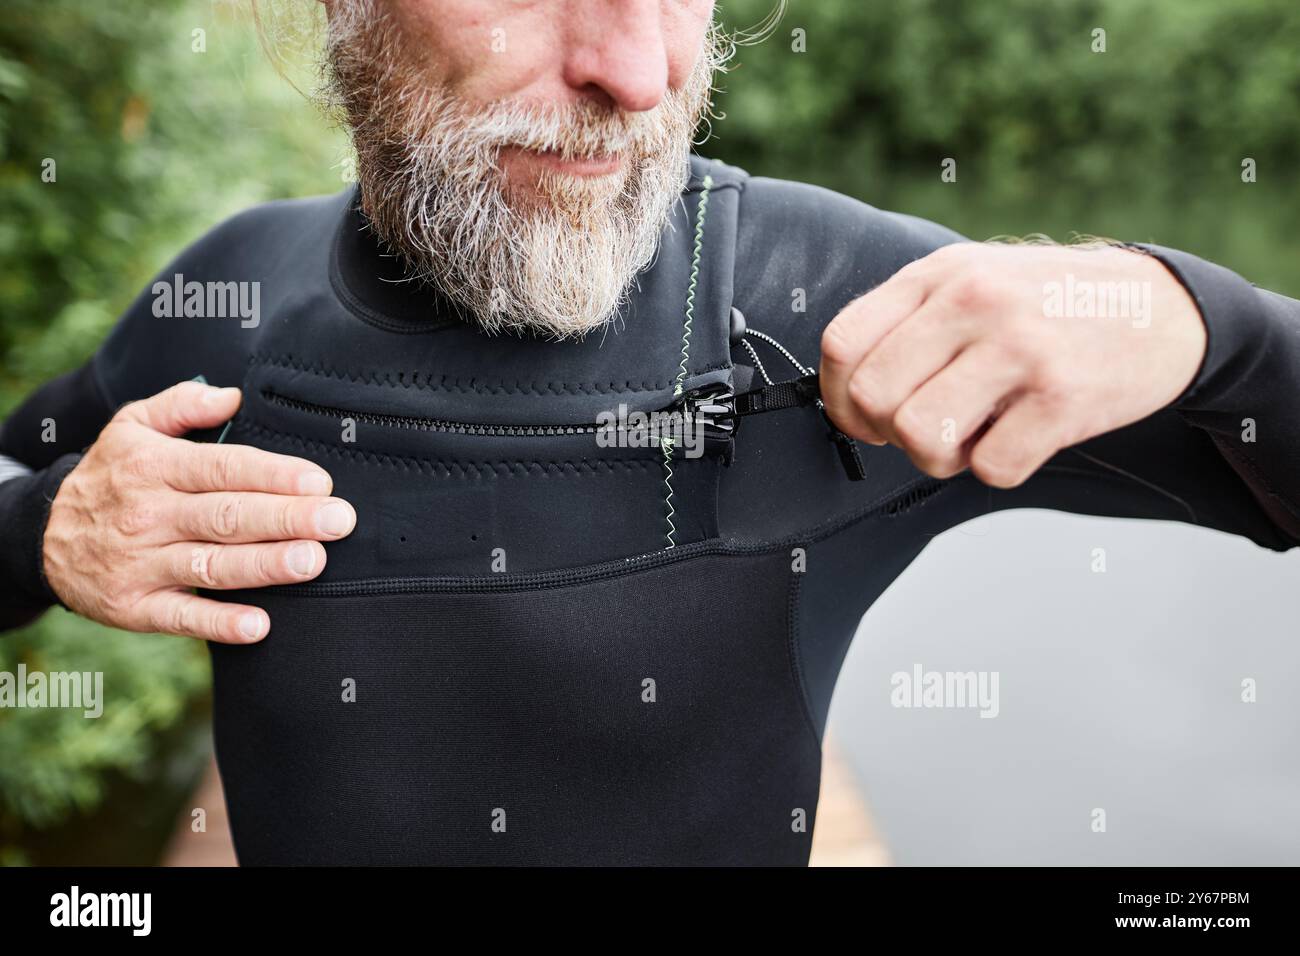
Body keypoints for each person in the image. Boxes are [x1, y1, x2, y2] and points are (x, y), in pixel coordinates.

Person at [1, 0, 1296, 864]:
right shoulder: (229, 291)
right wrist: (43, 528)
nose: (638, 72)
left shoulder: (815, 295)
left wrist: (1205, 326)